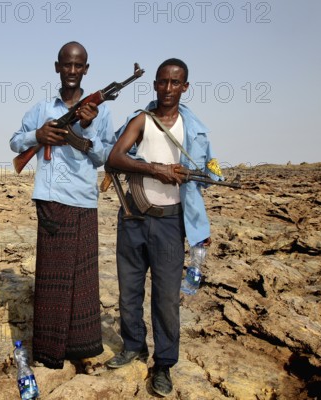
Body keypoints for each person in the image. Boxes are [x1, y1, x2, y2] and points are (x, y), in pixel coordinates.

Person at [105, 58, 221, 395]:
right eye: (162, 82)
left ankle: (164, 364)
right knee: (129, 292)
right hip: (133, 219)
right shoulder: (142, 120)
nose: (167, 89)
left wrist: (197, 184)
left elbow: (208, 174)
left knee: (166, 300)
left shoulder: (194, 129)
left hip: (171, 224)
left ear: (186, 87)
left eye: (175, 83)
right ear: (154, 85)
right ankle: (133, 346)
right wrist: (157, 170)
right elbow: (114, 158)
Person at [9, 41, 114, 369]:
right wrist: (37, 136)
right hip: (51, 199)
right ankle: (48, 352)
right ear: (58, 67)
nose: (71, 71)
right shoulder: (42, 109)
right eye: (66, 65)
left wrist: (85, 127)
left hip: (82, 200)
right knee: (52, 279)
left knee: (82, 277)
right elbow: (15, 140)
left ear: (86, 69)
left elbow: (104, 156)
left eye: (78, 65)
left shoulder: (102, 112)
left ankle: (81, 347)